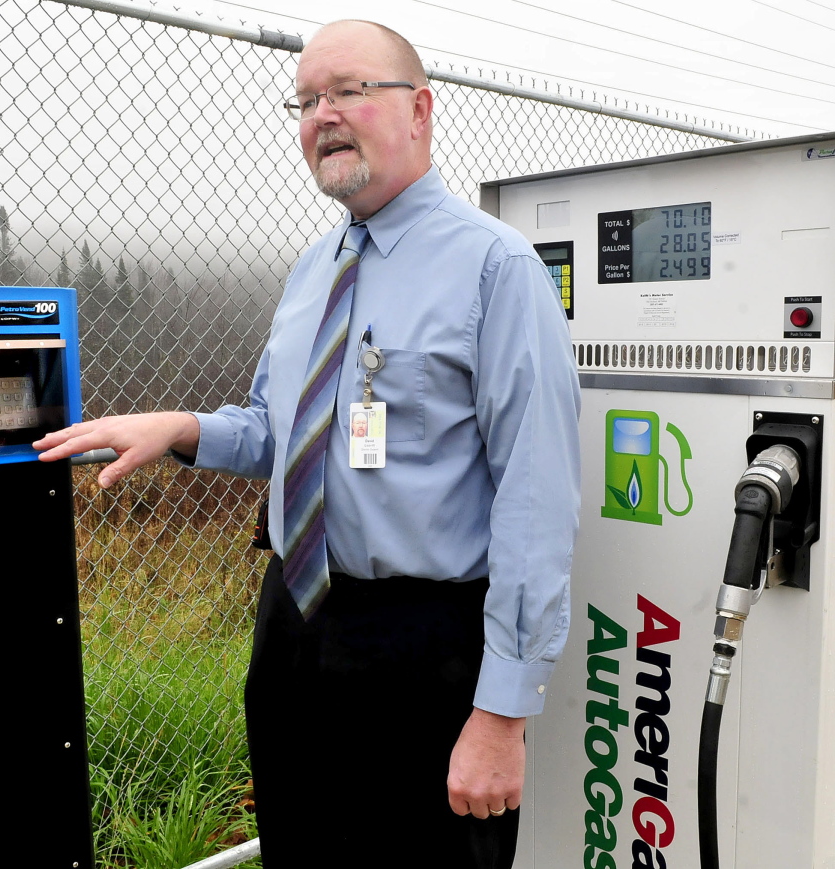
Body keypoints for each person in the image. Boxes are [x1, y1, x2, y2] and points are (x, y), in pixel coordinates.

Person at [35, 19, 580, 869]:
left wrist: (499, 716)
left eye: (349, 90)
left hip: (425, 648)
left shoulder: (495, 269)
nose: (323, 113)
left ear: (419, 110)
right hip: (293, 625)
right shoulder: (312, 269)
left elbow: (537, 499)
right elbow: (273, 432)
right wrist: (178, 428)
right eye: (306, 99)